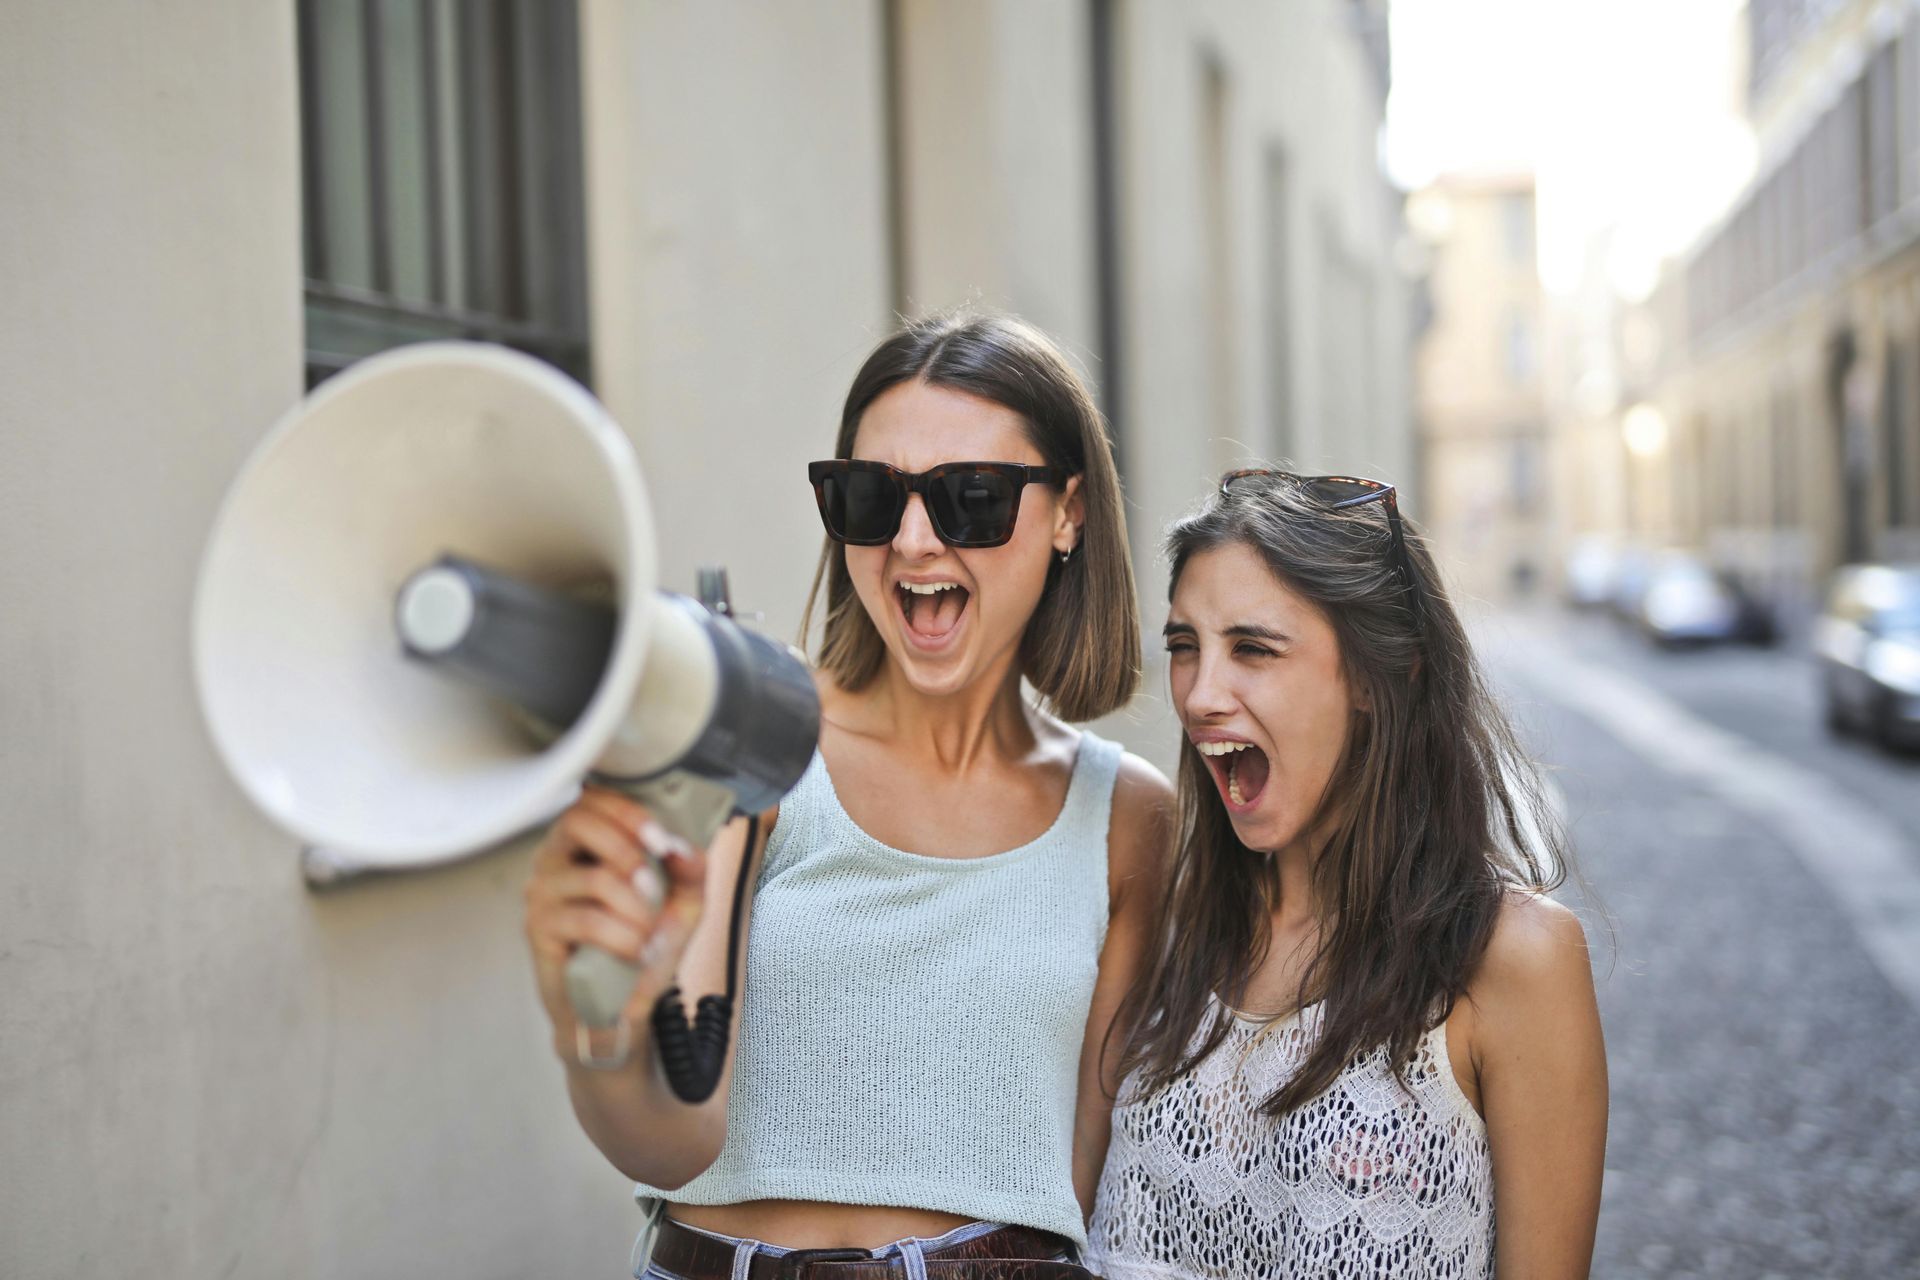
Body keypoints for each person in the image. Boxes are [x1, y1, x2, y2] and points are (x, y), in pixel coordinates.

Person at [521, 311, 1173, 1278]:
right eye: (871, 497)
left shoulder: (1128, 820)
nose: (912, 541)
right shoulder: (757, 739)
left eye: (972, 498)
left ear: (1069, 511)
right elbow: (671, 1138)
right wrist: (600, 1024)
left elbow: (1079, 1188)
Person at [1086, 470, 1608, 1279]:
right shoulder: (1169, 923)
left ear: (1376, 676)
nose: (1199, 694)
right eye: (1184, 647)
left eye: (1253, 648)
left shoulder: (1513, 960)